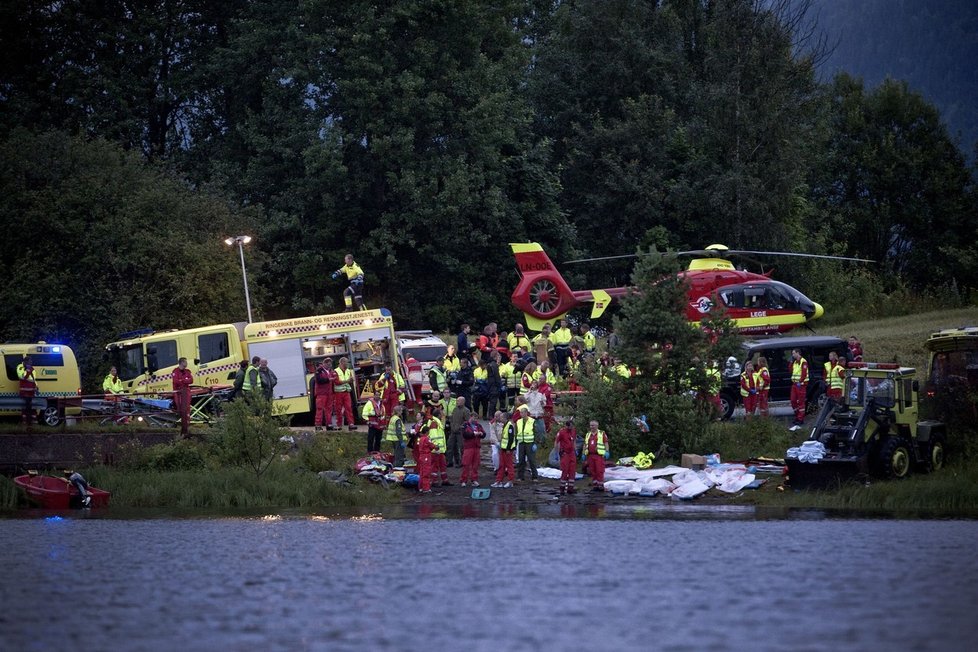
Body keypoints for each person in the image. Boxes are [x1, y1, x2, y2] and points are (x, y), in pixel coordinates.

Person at [460, 413, 487, 487]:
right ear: (471, 417)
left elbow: (484, 434)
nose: (475, 420)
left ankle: (474, 479)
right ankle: (463, 480)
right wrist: (473, 434)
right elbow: (464, 435)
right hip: (468, 447)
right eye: (474, 418)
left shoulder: (478, 425)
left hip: (476, 447)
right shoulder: (465, 425)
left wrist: (481, 434)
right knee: (466, 464)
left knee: (475, 465)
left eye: (476, 418)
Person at [581, 420, 610, 491]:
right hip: (590, 455)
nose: (592, 427)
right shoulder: (588, 434)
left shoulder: (601, 433)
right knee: (592, 470)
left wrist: (607, 451)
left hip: (599, 456)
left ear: (597, 426)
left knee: (599, 470)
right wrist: (583, 453)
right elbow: (585, 444)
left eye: (593, 425)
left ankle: (600, 485)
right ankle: (595, 485)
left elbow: (606, 443)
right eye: (591, 425)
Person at [425, 407, 450, 486]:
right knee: (435, 466)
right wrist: (436, 446)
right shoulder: (434, 422)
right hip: (436, 449)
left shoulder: (436, 421)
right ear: (439, 414)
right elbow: (434, 436)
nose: (443, 414)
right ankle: (434, 481)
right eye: (442, 413)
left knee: (443, 465)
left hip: (440, 450)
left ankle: (445, 480)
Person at [492, 412, 517, 488]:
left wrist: (509, 448)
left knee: (509, 465)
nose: (500, 418)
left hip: (507, 449)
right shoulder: (505, 425)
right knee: (501, 465)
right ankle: (499, 481)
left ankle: (510, 481)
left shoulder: (510, 426)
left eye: (502, 417)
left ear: (505, 418)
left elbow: (511, 438)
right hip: (503, 448)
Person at [555, 420, 578, 495]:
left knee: (572, 471)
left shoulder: (573, 431)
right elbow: (557, 442)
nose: (571, 428)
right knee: (565, 470)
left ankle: (570, 488)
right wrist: (556, 453)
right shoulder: (561, 432)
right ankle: (562, 488)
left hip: (572, 453)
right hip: (565, 454)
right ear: (567, 426)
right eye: (570, 427)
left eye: (572, 427)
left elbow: (574, 441)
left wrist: (575, 450)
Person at [172, 357, 194, 436]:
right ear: (181, 363)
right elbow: (176, 381)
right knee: (181, 410)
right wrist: (185, 380)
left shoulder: (187, 371)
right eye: (186, 362)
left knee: (186, 409)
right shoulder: (175, 371)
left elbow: (191, 380)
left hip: (186, 392)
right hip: (179, 393)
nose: (187, 363)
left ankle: (186, 428)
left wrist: (183, 380)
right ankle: (183, 429)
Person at [333, 357, 356, 430]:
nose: (348, 364)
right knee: (338, 409)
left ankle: (351, 424)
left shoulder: (348, 371)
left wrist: (351, 380)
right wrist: (347, 381)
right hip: (338, 393)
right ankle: (339, 425)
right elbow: (336, 382)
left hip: (346, 392)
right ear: (342, 363)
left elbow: (351, 380)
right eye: (346, 362)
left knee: (348, 408)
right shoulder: (335, 371)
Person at [447, 396, 471, 468]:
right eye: (457, 401)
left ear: (463, 402)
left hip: (460, 432)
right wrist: (451, 425)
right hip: (453, 431)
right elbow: (452, 418)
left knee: (462, 447)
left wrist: (461, 427)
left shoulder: (466, 410)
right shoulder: (455, 409)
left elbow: (467, 421)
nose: (457, 402)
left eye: (458, 401)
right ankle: (450, 461)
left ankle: (462, 462)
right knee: (450, 445)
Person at [515, 409, 538, 482]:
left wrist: (535, 443)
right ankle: (520, 477)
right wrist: (515, 444)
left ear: (526, 413)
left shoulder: (532, 421)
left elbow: (535, 432)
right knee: (521, 460)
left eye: (522, 412)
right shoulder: (518, 422)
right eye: (520, 413)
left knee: (531, 460)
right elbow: (516, 433)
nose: (521, 414)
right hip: (521, 443)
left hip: (530, 443)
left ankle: (535, 477)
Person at [314, 358, 336, 430]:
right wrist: (328, 379)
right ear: (324, 363)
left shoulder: (330, 371)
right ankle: (318, 425)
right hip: (321, 393)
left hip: (329, 393)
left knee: (329, 409)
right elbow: (319, 380)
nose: (329, 366)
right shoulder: (319, 370)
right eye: (328, 364)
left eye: (330, 364)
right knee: (320, 409)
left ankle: (329, 424)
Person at [789, 348, 809, 431]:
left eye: (794, 353)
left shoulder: (803, 362)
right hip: (795, 384)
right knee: (793, 400)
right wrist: (790, 363)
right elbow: (791, 371)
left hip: (801, 384)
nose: (793, 355)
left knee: (800, 402)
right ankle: (797, 416)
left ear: (798, 353)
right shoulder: (795, 362)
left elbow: (804, 373)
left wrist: (800, 381)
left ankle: (800, 419)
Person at [16, 355, 38, 427]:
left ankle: (32, 422)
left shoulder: (32, 368)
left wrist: (36, 386)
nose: (31, 362)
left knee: (31, 407)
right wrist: (28, 371)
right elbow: (22, 377)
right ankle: (26, 422)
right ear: (25, 362)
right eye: (29, 361)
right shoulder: (20, 367)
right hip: (24, 391)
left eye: (31, 361)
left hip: (31, 391)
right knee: (26, 407)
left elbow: (33, 378)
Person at [416, 425, 435, 494]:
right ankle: (426, 488)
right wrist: (436, 447)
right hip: (426, 456)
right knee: (426, 472)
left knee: (422, 472)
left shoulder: (421, 438)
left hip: (421, 456)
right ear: (427, 432)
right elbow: (431, 445)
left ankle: (421, 487)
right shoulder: (426, 438)